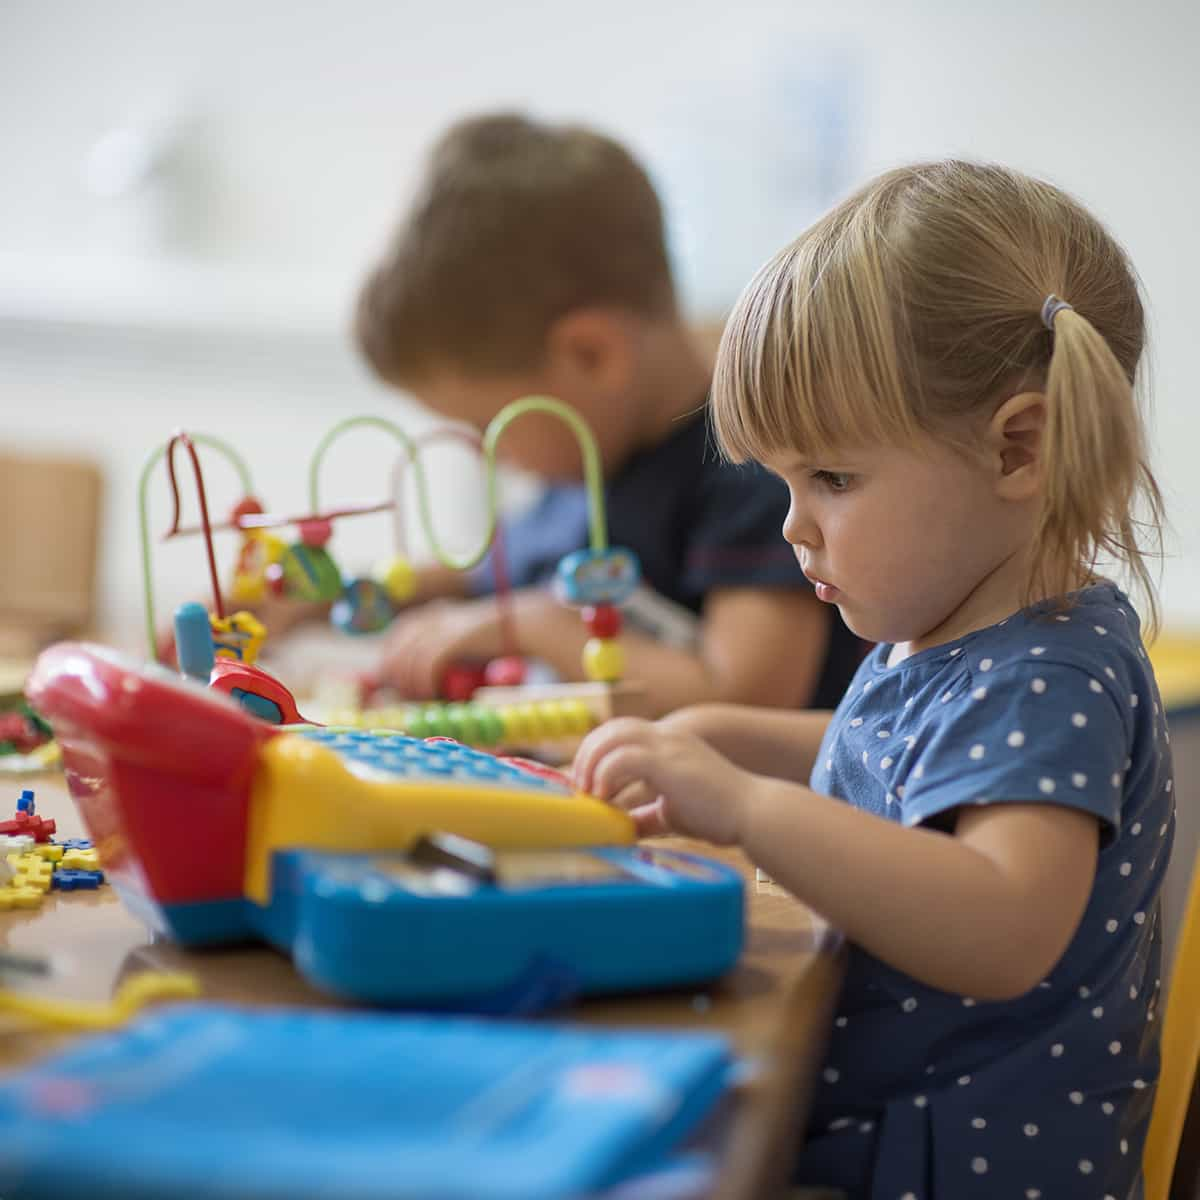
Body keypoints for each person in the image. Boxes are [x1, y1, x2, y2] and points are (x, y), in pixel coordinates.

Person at [573, 160, 1173, 1198]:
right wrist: (724, 733)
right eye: (783, 482)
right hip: (876, 1131)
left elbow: (998, 923)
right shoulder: (966, 636)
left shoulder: (1048, 674)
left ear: (1017, 448)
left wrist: (751, 808)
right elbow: (909, 767)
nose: (793, 525)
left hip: (939, 1170)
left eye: (833, 479)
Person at [351, 112, 863, 717]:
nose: (481, 451)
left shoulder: (752, 469)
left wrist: (535, 625)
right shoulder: (583, 464)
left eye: (488, 426)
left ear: (592, 354)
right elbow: (474, 578)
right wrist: (328, 594)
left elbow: (746, 694)